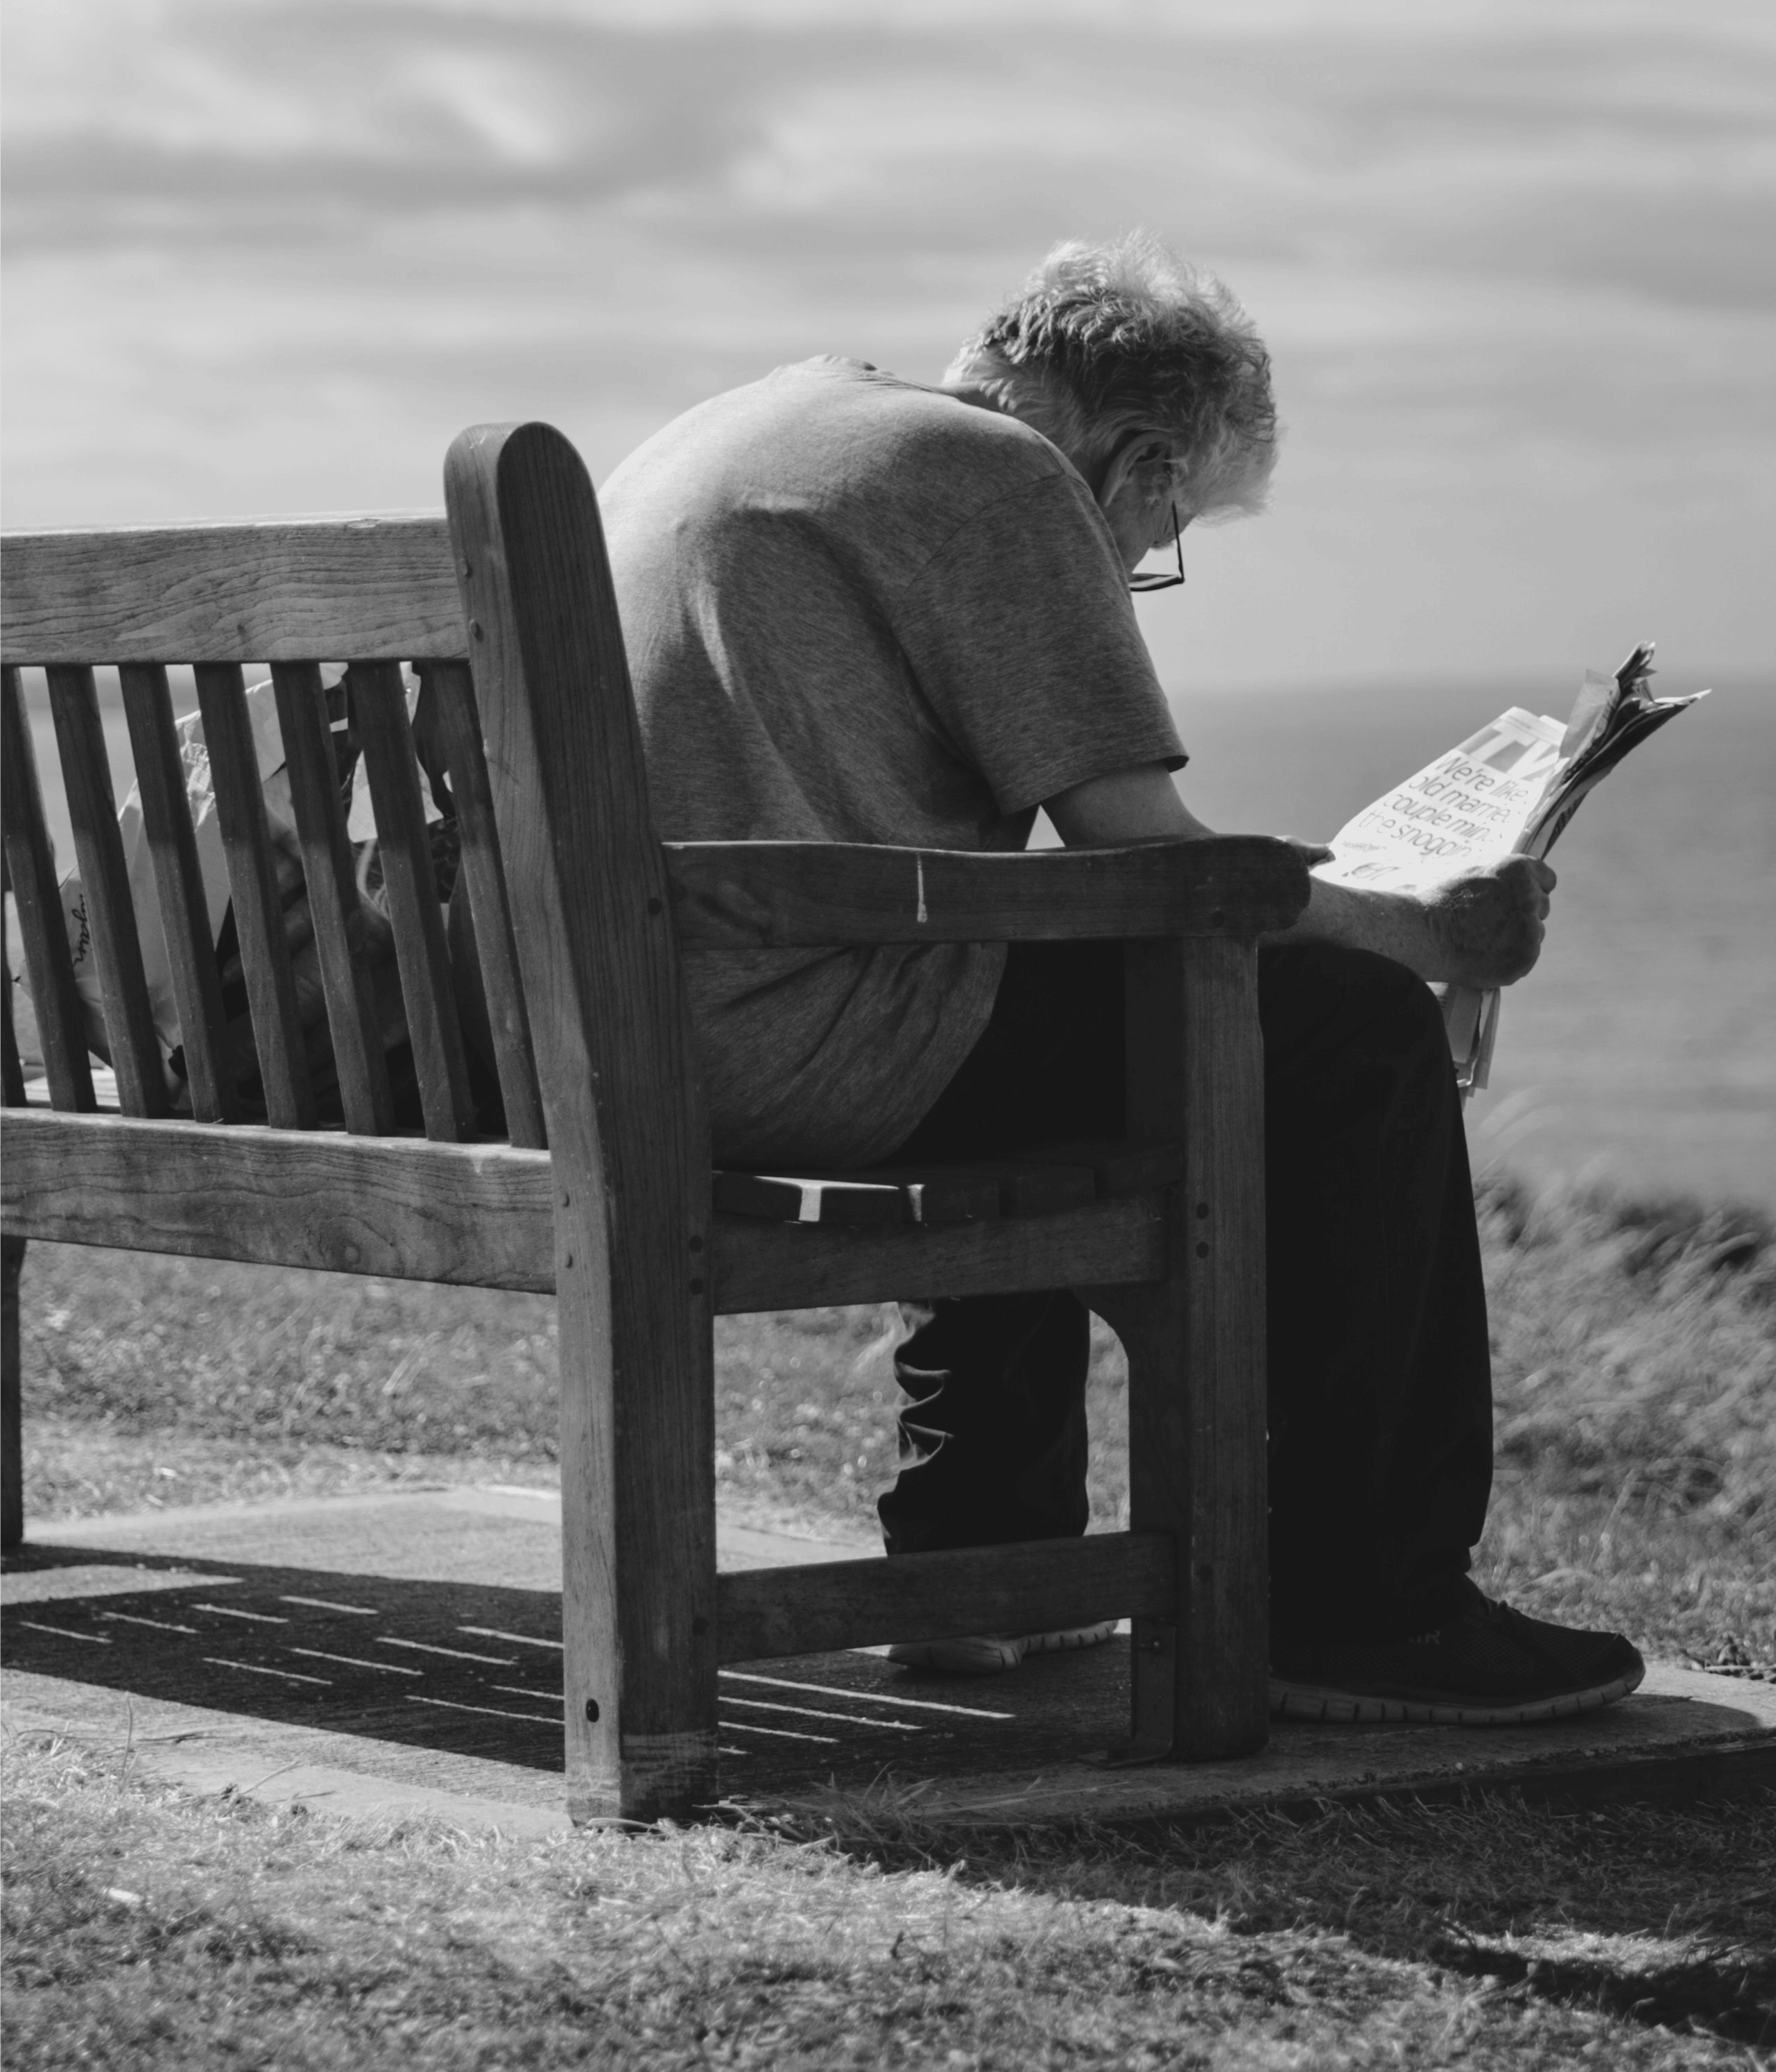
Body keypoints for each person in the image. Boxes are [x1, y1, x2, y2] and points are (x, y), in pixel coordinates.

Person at [598, 232, 1644, 1727]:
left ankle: (983, 1562)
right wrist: (1424, 934)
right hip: (784, 1036)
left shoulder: (761, 421)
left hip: (627, 1023)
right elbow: (1140, 850)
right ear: (1142, 456)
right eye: (1168, 529)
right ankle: (1369, 1607)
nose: (1143, 568)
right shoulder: (1001, 479)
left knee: (1047, 981)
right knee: (1346, 1031)